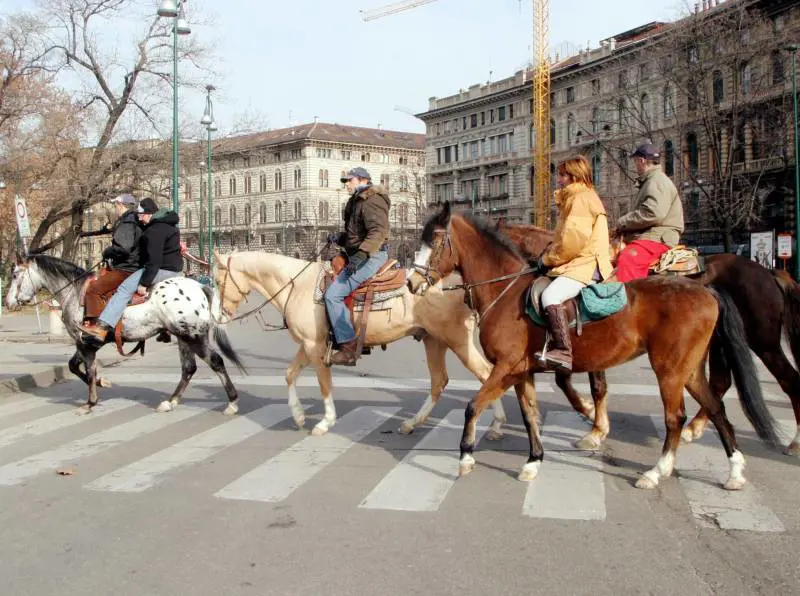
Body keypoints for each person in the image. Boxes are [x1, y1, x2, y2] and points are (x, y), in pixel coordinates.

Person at [534, 155, 613, 372]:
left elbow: (572, 241)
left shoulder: (580, 199)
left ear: (573, 176)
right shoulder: (578, 197)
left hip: (585, 263)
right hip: (581, 260)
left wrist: (548, 259)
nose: (558, 180)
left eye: (561, 175)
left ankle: (563, 351)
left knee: (550, 296)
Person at [78, 197, 183, 342]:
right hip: (175, 270)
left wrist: (145, 283)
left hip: (157, 270)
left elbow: (154, 261)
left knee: (123, 289)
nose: (139, 218)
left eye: (141, 214)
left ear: (149, 213)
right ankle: (166, 329)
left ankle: (101, 327)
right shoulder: (169, 225)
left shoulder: (154, 230)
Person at [324, 167, 390, 366]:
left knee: (333, 295)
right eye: (345, 181)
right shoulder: (358, 200)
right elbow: (356, 234)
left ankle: (348, 347)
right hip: (358, 253)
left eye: (349, 180)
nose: (346, 184)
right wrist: (340, 238)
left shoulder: (372, 200)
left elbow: (377, 232)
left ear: (362, 180)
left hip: (372, 255)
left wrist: (360, 255)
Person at [613, 143, 684, 282]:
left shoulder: (656, 181)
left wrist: (623, 222)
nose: (635, 165)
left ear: (642, 160)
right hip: (653, 235)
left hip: (658, 237)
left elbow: (653, 213)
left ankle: (627, 301)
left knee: (628, 258)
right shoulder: (651, 181)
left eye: (635, 161)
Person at [80, 194, 142, 329]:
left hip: (126, 268)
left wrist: (107, 251)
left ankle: (96, 328)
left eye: (115, 206)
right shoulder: (134, 220)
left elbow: (123, 249)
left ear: (121, 205)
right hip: (130, 265)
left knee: (93, 289)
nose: (115, 209)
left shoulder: (127, 223)